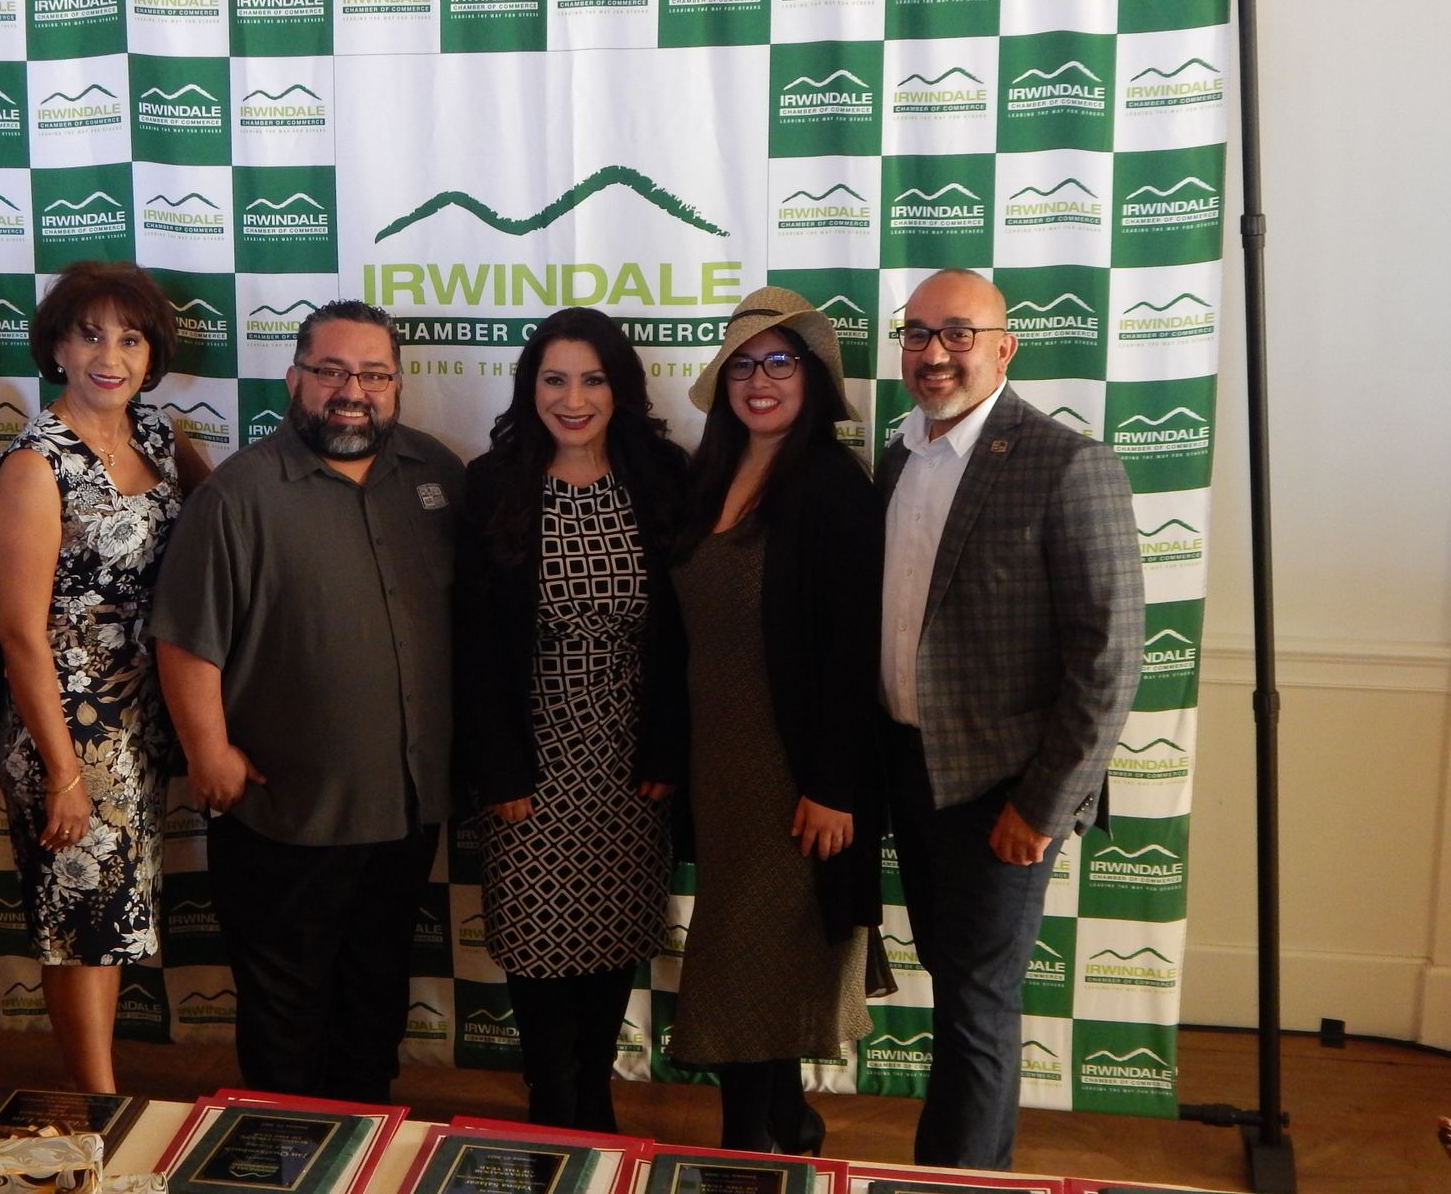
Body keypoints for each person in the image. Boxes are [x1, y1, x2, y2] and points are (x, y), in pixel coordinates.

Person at [150, 300, 463, 1102]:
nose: (352, 390)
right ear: (295, 379)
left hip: (403, 808)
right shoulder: (240, 494)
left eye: (373, 374)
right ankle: (286, 1157)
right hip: (284, 812)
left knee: (373, 1001)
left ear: (397, 385)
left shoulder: (436, 477)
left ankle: (362, 1148)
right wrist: (208, 752)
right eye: (331, 371)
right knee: (286, 1019)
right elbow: (186, 638)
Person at [879, 268, 1142, 1170]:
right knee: (955, 994)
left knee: (978, 1008)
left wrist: (1045, 806)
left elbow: (1108, 660)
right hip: (910, 775)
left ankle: (961, 1185)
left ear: (1003, 348)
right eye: (917, 334)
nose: (935, 352)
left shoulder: (1069, 463)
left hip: (1005, 794)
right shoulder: (897, 455)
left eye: (958, 333)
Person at [454, 308, 687, 1132]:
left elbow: (684, 638)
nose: (574, 397)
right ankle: (554, 1108)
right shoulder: (493, 482)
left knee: (613, 938)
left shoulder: (664, 477)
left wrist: (666, 746)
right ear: (531, 388)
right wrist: (499, 768)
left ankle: (597, 1101)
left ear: (620, 387)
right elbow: (473, 646)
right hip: (532, 760)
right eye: (555, 378)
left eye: (592, 378)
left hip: (630, 761)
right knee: (537, 946)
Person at [665, 287, 885, 1154]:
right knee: (755, 951)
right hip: (718, 769)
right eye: (743, 365)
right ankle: (787, 1117)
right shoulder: (707, 476)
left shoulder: (835, 490)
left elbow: (850, 656)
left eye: (779, 361)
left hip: (790, 774)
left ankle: (743, 1149)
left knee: (744, 959)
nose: (759, 380)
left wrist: (833, 787)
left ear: (814, 377)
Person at [0, 262, 209, 1093]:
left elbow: (223, 524)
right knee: (83, 921)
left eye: (130, 336)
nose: (109, 354)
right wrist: (62, 771)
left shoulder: (155, 435)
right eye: (90, 334)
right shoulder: (36, 464)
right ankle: (96, 1110)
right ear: (56, 345)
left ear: (152, 353)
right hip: (70, 724)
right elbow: (17, 631)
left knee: (112, 917)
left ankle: (98, 1092)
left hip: (145, 715)